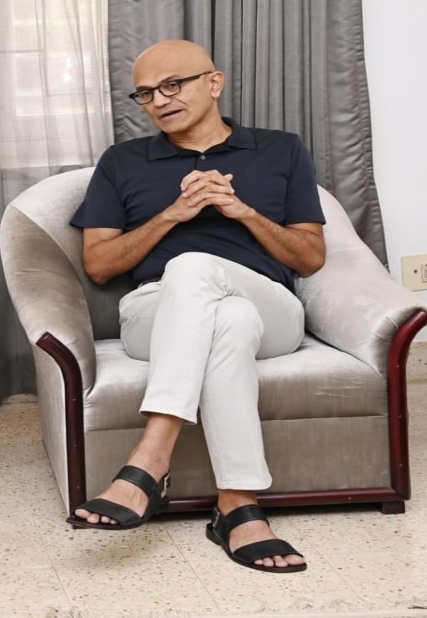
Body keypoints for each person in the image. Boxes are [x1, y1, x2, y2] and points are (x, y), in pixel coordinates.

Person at [66, 40, 325, 574]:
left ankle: (150, 459)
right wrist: (173, 215)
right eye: (145, 94)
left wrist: (242, 210)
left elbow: (311, 257)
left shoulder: (280, 149)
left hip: (269, 308)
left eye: (172, 85)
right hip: (154, 315)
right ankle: (238, 507)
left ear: (214, 82)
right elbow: (99, 265)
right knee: (215, 304)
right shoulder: (122, 162)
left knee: (198, 269)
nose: (159, 101)